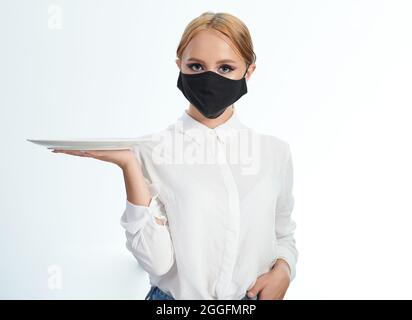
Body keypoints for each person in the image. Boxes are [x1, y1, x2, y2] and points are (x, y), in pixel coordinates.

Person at [52, 11, 298, 300]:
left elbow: (283, 234)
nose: (209, 79)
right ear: (179, 65)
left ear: (249, 71)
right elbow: (157, 262)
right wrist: (130, 166)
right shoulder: (148, 150)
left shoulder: (275, 153)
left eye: (225, 68)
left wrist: (284, 269)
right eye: (196, 65)